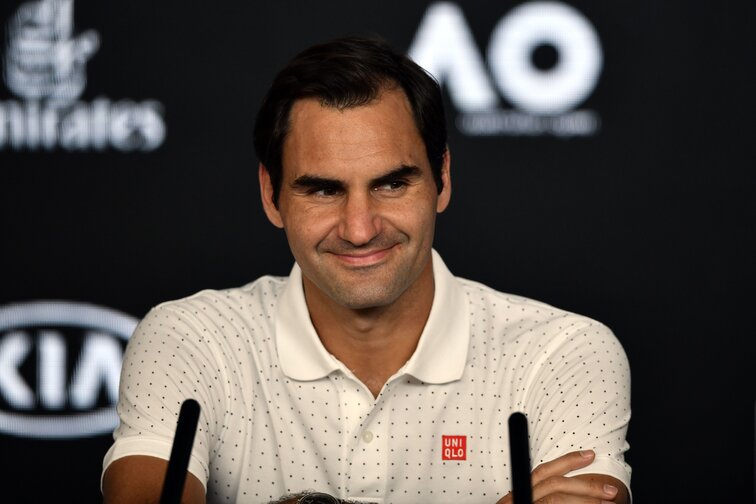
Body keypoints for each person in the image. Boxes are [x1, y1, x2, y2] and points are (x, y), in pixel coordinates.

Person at [102, 37, 631, 504]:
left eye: (392, 184)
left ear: (442, 179)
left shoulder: (562, 353)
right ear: (270, 194)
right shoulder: (189, 339)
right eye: (324, 190)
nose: (359, 228)